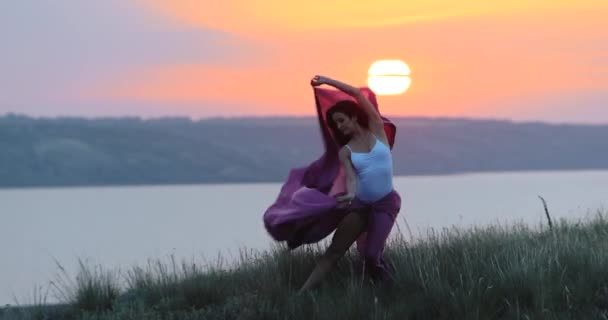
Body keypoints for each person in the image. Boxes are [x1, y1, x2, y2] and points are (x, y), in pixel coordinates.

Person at [297, 75, 402, 293]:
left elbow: (355, 92)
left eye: (342, 120)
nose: (339, 126)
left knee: (372, 254)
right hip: (361, 205)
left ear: (354, 117)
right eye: (335, 124)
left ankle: (390, 285)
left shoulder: (376, 129)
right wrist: (351, 195)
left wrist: (326, 81)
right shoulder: (346, 151)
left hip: (385, 204)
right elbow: (353, 179)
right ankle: (300, 295)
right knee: (334, 252)